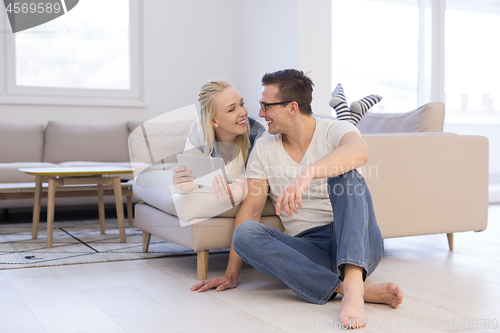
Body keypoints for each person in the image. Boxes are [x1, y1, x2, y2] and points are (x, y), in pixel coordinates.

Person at [190, 69, 404, 329]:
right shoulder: (264, 147)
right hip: (310, 250)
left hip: (357, 241)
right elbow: (251, 210)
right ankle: (350, 288)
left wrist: (308, 173)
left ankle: (354, 290)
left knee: (347, 175)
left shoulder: (335, 130)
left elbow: (358, 152)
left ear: (292, 107)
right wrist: (230, 274)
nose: (259, 113)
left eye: (266, 106)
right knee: (244, 233)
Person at [172, 80, 265, 203]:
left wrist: (234, 193)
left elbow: (248, 186)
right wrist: (183, 183)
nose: (243, 112)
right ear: (213, 121)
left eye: (242, 104)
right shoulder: (200, 129)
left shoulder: (258, 135)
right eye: (232, 109)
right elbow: (192, 179)